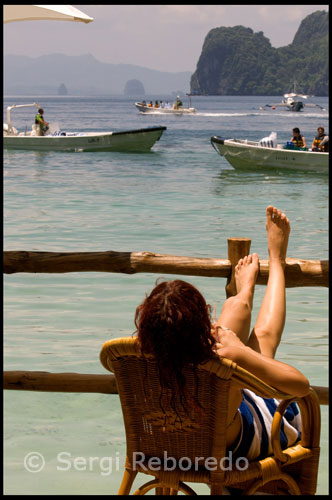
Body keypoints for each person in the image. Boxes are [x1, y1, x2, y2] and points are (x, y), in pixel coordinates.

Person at [134, 206, 309, 461]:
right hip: (235, 449)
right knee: (263, 336)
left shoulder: (135, 357)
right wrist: (241, 352)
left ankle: (244, 293)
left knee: (235, 309)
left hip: (169, 447)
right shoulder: (222, 360)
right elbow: (301, 386)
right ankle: (275, 262)